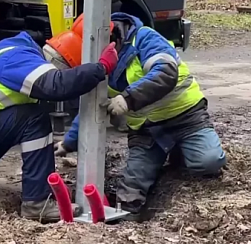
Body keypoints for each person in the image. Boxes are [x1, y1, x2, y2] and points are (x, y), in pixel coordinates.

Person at [55, 12, 227, 221]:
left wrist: (128, 99)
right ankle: (127, 219)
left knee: (208, 162)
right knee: (132, 188)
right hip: (147, 131)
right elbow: (89, 109)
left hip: (186, 117)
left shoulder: (144, 38)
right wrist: (69, 142)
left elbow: (165, 73)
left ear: (112, 40)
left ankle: (179, 154)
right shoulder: (99, 65)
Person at [0, 27, 118, 222]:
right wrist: (101, 67)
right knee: (34, 118)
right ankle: (36, 204)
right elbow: (57, 84)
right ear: (57, 62)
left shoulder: (10, 49)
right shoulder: (18, 57)